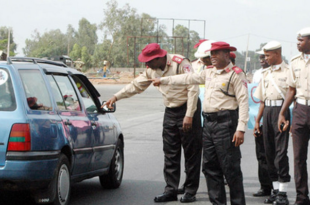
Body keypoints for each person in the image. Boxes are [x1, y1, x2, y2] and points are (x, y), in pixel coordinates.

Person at [151, 41, 249, 205]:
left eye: (216, 53)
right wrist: (164, 80)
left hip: (226, 123)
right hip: (209, 124)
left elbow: (243, 102)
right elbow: (188, 78)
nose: (213, 57)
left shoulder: (235, 74)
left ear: (226, 54)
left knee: (230, 169)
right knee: (210, 168)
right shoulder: (209, 72)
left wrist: (241, 128)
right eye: (211, 54)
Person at [104, 43, 202, 203]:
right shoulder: (152, 69)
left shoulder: (180, 63)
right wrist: (116, 96)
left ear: (159, 58)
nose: (146, 64)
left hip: (188, 109)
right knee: (170, 153)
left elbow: (193, 87)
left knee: (191, 152)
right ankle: (171, 190)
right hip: (170, 111)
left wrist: (189, 114)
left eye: (148, 61)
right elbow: (136, 85)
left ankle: (190, 190)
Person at [254, 41, 291, 205]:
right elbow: (262, 100)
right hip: (268, 112)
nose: (265, 58)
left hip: (282, 112)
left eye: (268, 55)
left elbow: (293, 97)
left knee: (280, 154)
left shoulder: (289, 71)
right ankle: (275, 190)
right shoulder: (266, 73)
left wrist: (291, 119)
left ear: (278, 53)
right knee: (269, 153)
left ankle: (283, 193)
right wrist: (257, 121)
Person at [278, 27, 310, 205]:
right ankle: (302, 198)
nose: (298, 43)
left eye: (301, 40)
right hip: (300, 111)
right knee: (299, 158)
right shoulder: (295, 61)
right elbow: (291, 89)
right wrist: (283, 112)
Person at [252, 49, 273, 197]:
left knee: (275, 154)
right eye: (260, 57)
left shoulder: (282, 73)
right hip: (259, 117)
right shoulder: (257, 74)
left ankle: (278, 187)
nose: (261, 60)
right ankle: (265, 186)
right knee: (261, 154)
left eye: (264, 56)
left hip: (275, 117)